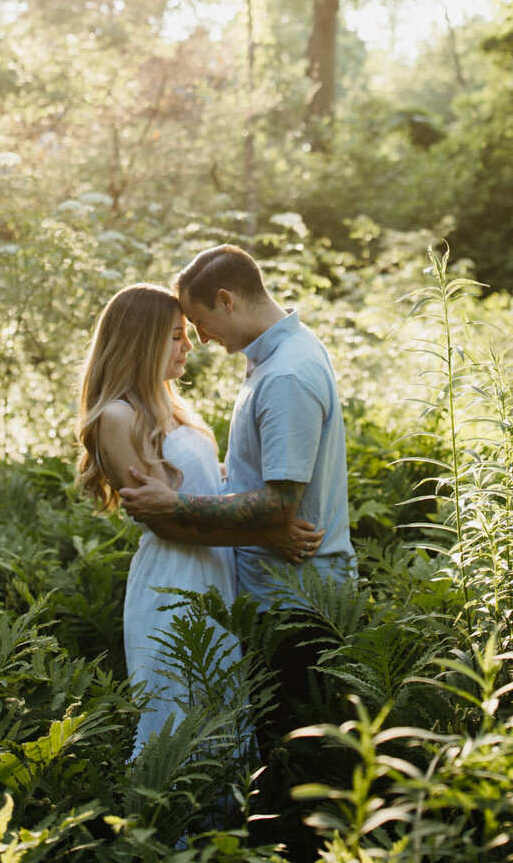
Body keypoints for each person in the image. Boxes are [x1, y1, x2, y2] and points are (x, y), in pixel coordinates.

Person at [119, 247, 354, 776]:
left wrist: (175, 502)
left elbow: (278, 504)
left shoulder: (286, 375)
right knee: (266, 758)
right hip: (270, 589)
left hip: (297, 599)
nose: (200, 341)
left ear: (226, 301)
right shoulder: (270, 361)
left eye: (199, 323)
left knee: (296, 766)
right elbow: (260, 484)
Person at [76, 281, 322, 755]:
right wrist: (268, 530)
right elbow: (165, 521)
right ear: (140, 340)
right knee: (181, 724)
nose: (191, 344)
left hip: (215, 576)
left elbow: (202, 486)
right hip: (173, 581)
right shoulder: (117, 417)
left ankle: (223, 826)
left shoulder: (172, 407)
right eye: (174, 335)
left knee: (222, 716)